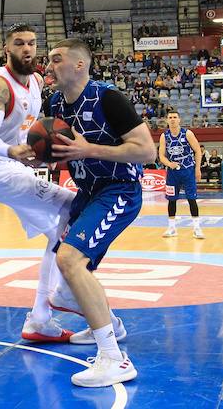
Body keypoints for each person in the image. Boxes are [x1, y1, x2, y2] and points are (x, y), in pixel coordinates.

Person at [42, 38, 156, 387]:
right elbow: (55, 150)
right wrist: (30, 154)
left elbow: (147, 151)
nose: (49, 65)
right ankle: (111, 325)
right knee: (62, 290)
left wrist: (87, 149)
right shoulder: (54, 102)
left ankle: (114, 359)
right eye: (48, 60)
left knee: (69, 261)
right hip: (87, 194)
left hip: (118, 190)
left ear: (80, 65)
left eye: (57, 59)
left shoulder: (109, 97)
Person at [0, 24, 77, 343]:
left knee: (57, 232)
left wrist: (39, 152)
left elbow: (29, 130)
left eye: (32, 43)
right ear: (7, 49)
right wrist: (13, 150)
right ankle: (55, 301)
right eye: (19, 43)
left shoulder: (37, 80)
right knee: (73, 206)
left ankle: (41, 317)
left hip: (14, 166)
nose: (27, 48)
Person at [159, 111, 204, 239]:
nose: (172, 119)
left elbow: (197, 151)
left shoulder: (187, 133)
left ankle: (197, 228)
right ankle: (172, 228)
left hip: (188, 170)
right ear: (167, 120)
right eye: (170, 118)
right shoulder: (164, 136)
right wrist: (169, 163)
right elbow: (161, 155)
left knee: (191, 198)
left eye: (175, 117)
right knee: (171, 200)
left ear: (179, 119)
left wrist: (197, 169)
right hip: (173, 172)